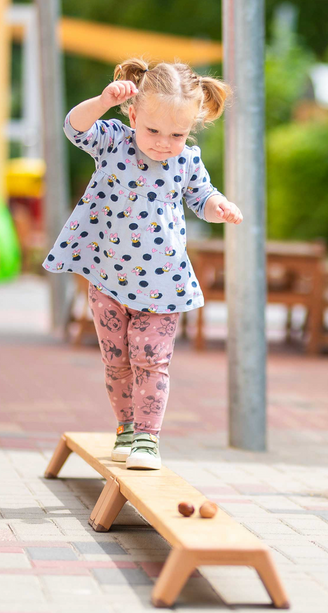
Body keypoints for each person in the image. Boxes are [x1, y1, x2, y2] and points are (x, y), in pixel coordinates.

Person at [42, 58, 243, 470]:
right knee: (117, 362)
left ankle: (148, 440)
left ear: (190, 130)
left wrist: (218, 206)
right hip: (107, 279)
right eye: (153, 130)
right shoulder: (115, 141)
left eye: (177, 133)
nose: (163, 142)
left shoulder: (186, 160)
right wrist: (101, 102)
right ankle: (126, 428)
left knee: (152, 360)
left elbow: (201, 197)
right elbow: (73, 128)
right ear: (133, 114)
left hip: (162, 284)